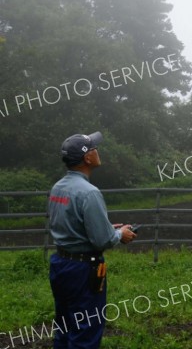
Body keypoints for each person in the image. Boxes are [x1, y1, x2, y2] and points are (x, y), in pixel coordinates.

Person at [48, 131, 136, 348]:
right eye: (94, 148)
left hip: (61, 264)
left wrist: (106, 227)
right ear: (88, 158)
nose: (98, 151)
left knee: (65, 324)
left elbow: (71, 224)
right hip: (83, 269)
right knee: (86, 328)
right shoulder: (90, 192)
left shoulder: (58, 187)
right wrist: (119, 234)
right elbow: (102, 241)